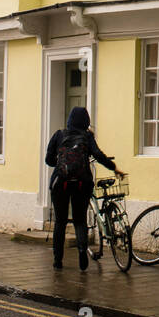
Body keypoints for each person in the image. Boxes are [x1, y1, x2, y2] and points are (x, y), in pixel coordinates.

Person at [45, 106, 124, 270]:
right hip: (82, 182)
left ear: (69, 120)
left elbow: (48, 160)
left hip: (61, 182)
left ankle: (57, 260)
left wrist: (61, 163)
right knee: (80, 220)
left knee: (60, 222)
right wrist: (114, 167)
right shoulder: (87, 136)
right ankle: (82, 252)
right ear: (86, 122)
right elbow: (98, 155)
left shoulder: (59, 135)